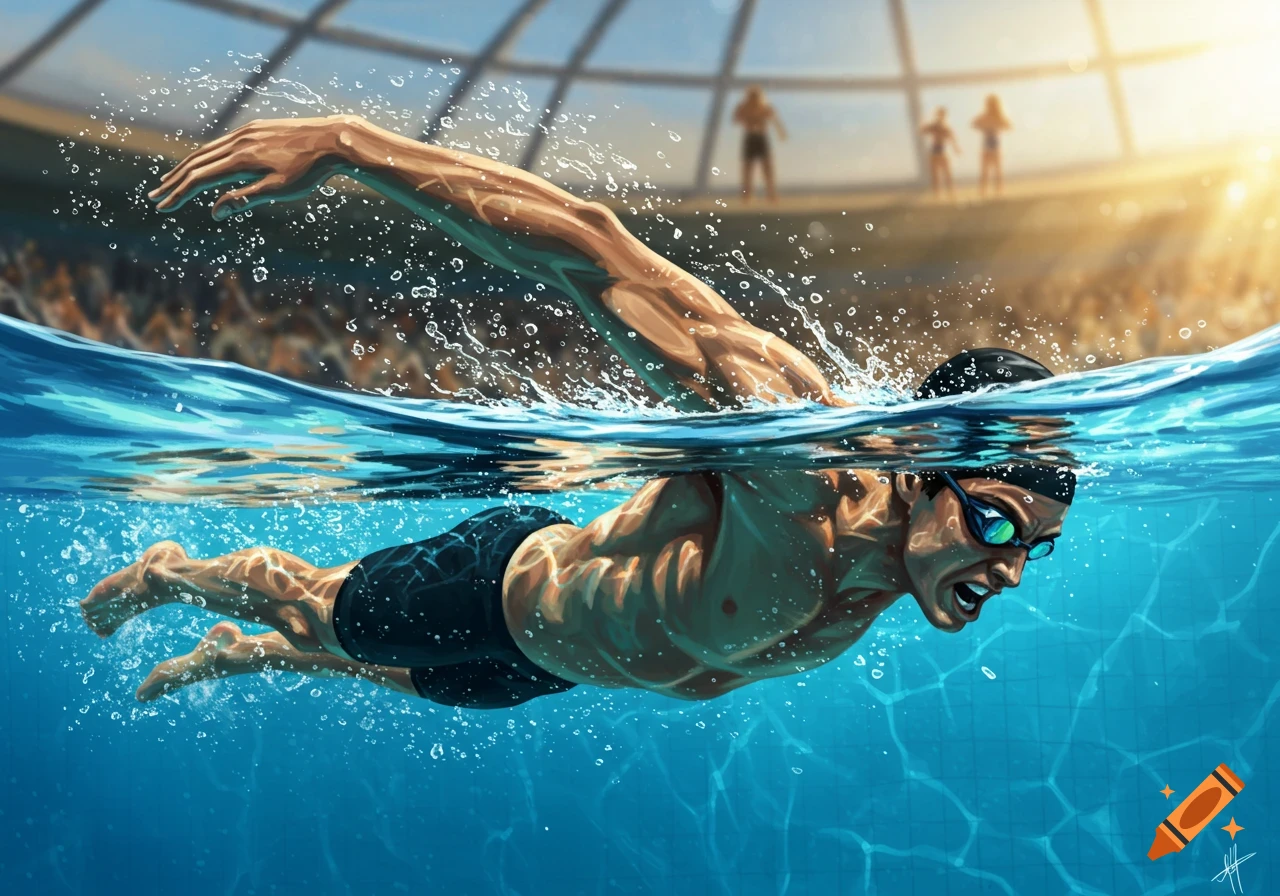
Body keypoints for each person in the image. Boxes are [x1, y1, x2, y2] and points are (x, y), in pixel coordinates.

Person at [81, 115, 1074, 708]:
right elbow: (594, 253)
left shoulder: (896, 565)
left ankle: (242, 651)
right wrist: (351, 148)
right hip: (502, 591)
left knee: (385, 670)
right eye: (994, 521)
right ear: (917, 464)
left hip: (557, 667)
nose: (1009, 568)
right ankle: (176, 571)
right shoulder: (799, 468)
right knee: (316, 609)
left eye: (1035, 544)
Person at [733, 86, 786, 205]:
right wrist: (747, 117)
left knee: (767, 167)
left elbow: (775, 120)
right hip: (750, 138)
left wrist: (781, 132)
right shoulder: (744, 107)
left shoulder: (765, 107)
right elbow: (736, 118)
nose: (754, 99)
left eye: (756, 96)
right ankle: (747, 195)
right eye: (752, 96)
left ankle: (771, 194)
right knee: (748, 168)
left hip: (761, 138)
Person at [972, 94, 1011, 198]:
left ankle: (999, 191)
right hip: (986, 147)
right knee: (985, 171)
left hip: (995, 146)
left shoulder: (999, 116)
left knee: (997, 171)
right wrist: (984, 126)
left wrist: (996, 126)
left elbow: (1008, 126)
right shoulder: (985, 116)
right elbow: (974, 124)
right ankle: (983, 192)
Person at [921, 107, 960, 200]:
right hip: (935, 152)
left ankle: (951, 193)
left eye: (942, 114)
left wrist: (956, 148)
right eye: (939, 114)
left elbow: (952, 138)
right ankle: (937, 195)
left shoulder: (945, 127)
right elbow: (923, 131)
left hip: (941, 152)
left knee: (947, 174)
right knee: (936, 175)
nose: (941, 116)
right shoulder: (935, 126)